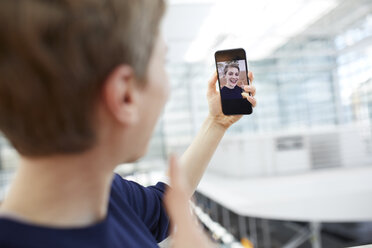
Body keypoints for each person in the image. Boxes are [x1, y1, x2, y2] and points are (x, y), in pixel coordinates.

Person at [0, 0, 257, 247]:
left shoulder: (103, 194)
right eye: (163, 63)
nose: (167, 86)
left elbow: (162, 208)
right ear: (125, 96)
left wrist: (216, 123)